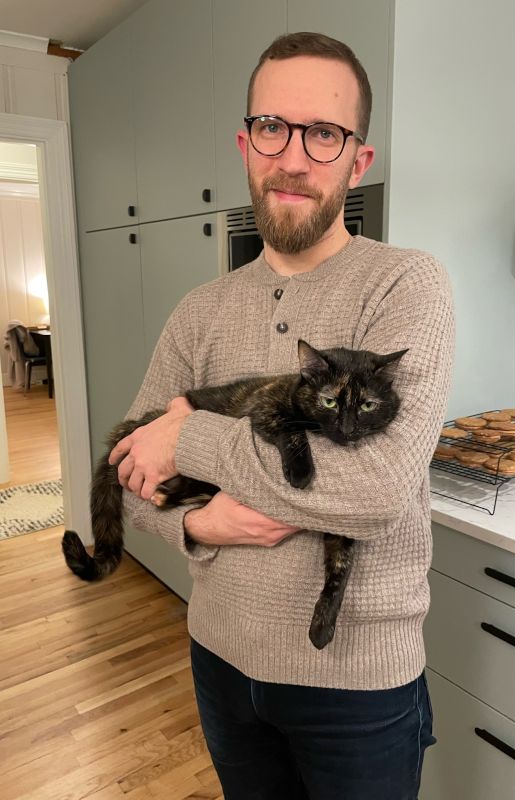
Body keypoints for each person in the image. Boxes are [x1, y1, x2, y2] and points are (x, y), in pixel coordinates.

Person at [109, 32, 455, 800]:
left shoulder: (406, 285)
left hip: (358, 686)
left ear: (357, 159)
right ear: (245, 144)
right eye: (273, 128)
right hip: (219, 662)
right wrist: (195, 526)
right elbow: (131, 467)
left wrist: (188, 438)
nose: (292, 158)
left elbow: (376, 490)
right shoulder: (197, 311)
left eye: (323, 133)